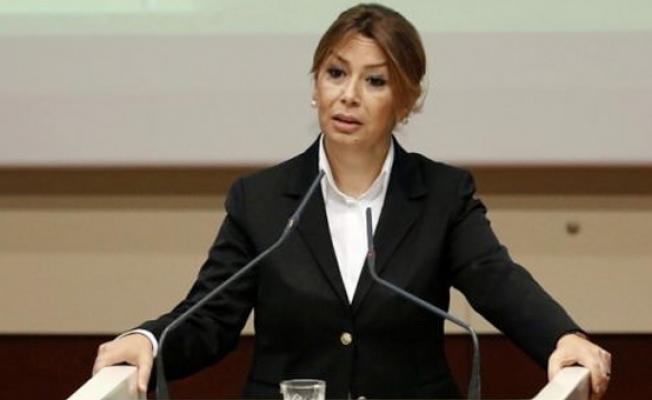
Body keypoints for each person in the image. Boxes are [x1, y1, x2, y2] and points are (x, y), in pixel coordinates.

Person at [93, 3, 611, 399]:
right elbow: (210, 316)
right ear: (315, 86)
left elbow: (497, 281)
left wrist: (561, 337)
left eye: (375, 81)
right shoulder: (262, 199)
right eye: (335, 73)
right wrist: (149, 339)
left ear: (406, 101)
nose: (348, 95)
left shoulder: (441, 195)